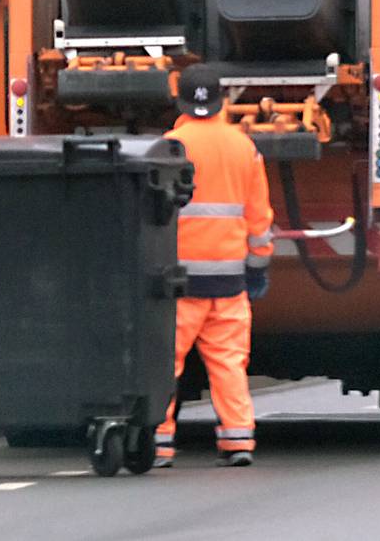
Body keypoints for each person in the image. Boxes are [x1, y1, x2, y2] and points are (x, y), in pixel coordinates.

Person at [154, 64, 274, 468]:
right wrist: (257, 267)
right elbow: (259, 217)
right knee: (228, 363)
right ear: (222, 101)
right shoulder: (244, 147)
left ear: (181, 101)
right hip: (228, 280)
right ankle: (238, 440)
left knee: (164, 361)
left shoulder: (170, 146)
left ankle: (158, 443)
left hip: (179, 282)